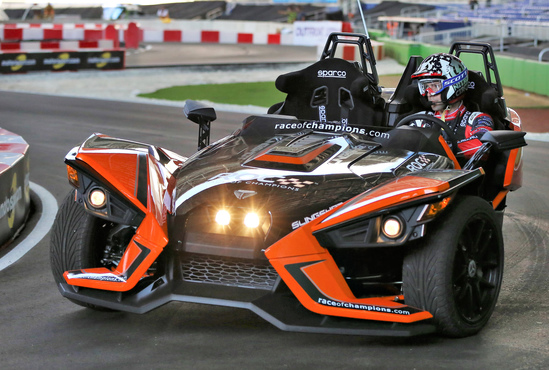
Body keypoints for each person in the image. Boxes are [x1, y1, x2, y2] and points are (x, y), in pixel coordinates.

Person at [410, 53, 494, 159]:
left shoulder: (477, 119)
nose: (429, 93)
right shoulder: (420, 120)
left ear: (455, 84)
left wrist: (442, 148)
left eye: (435, 86)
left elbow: (483, 143)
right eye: (425, 86)